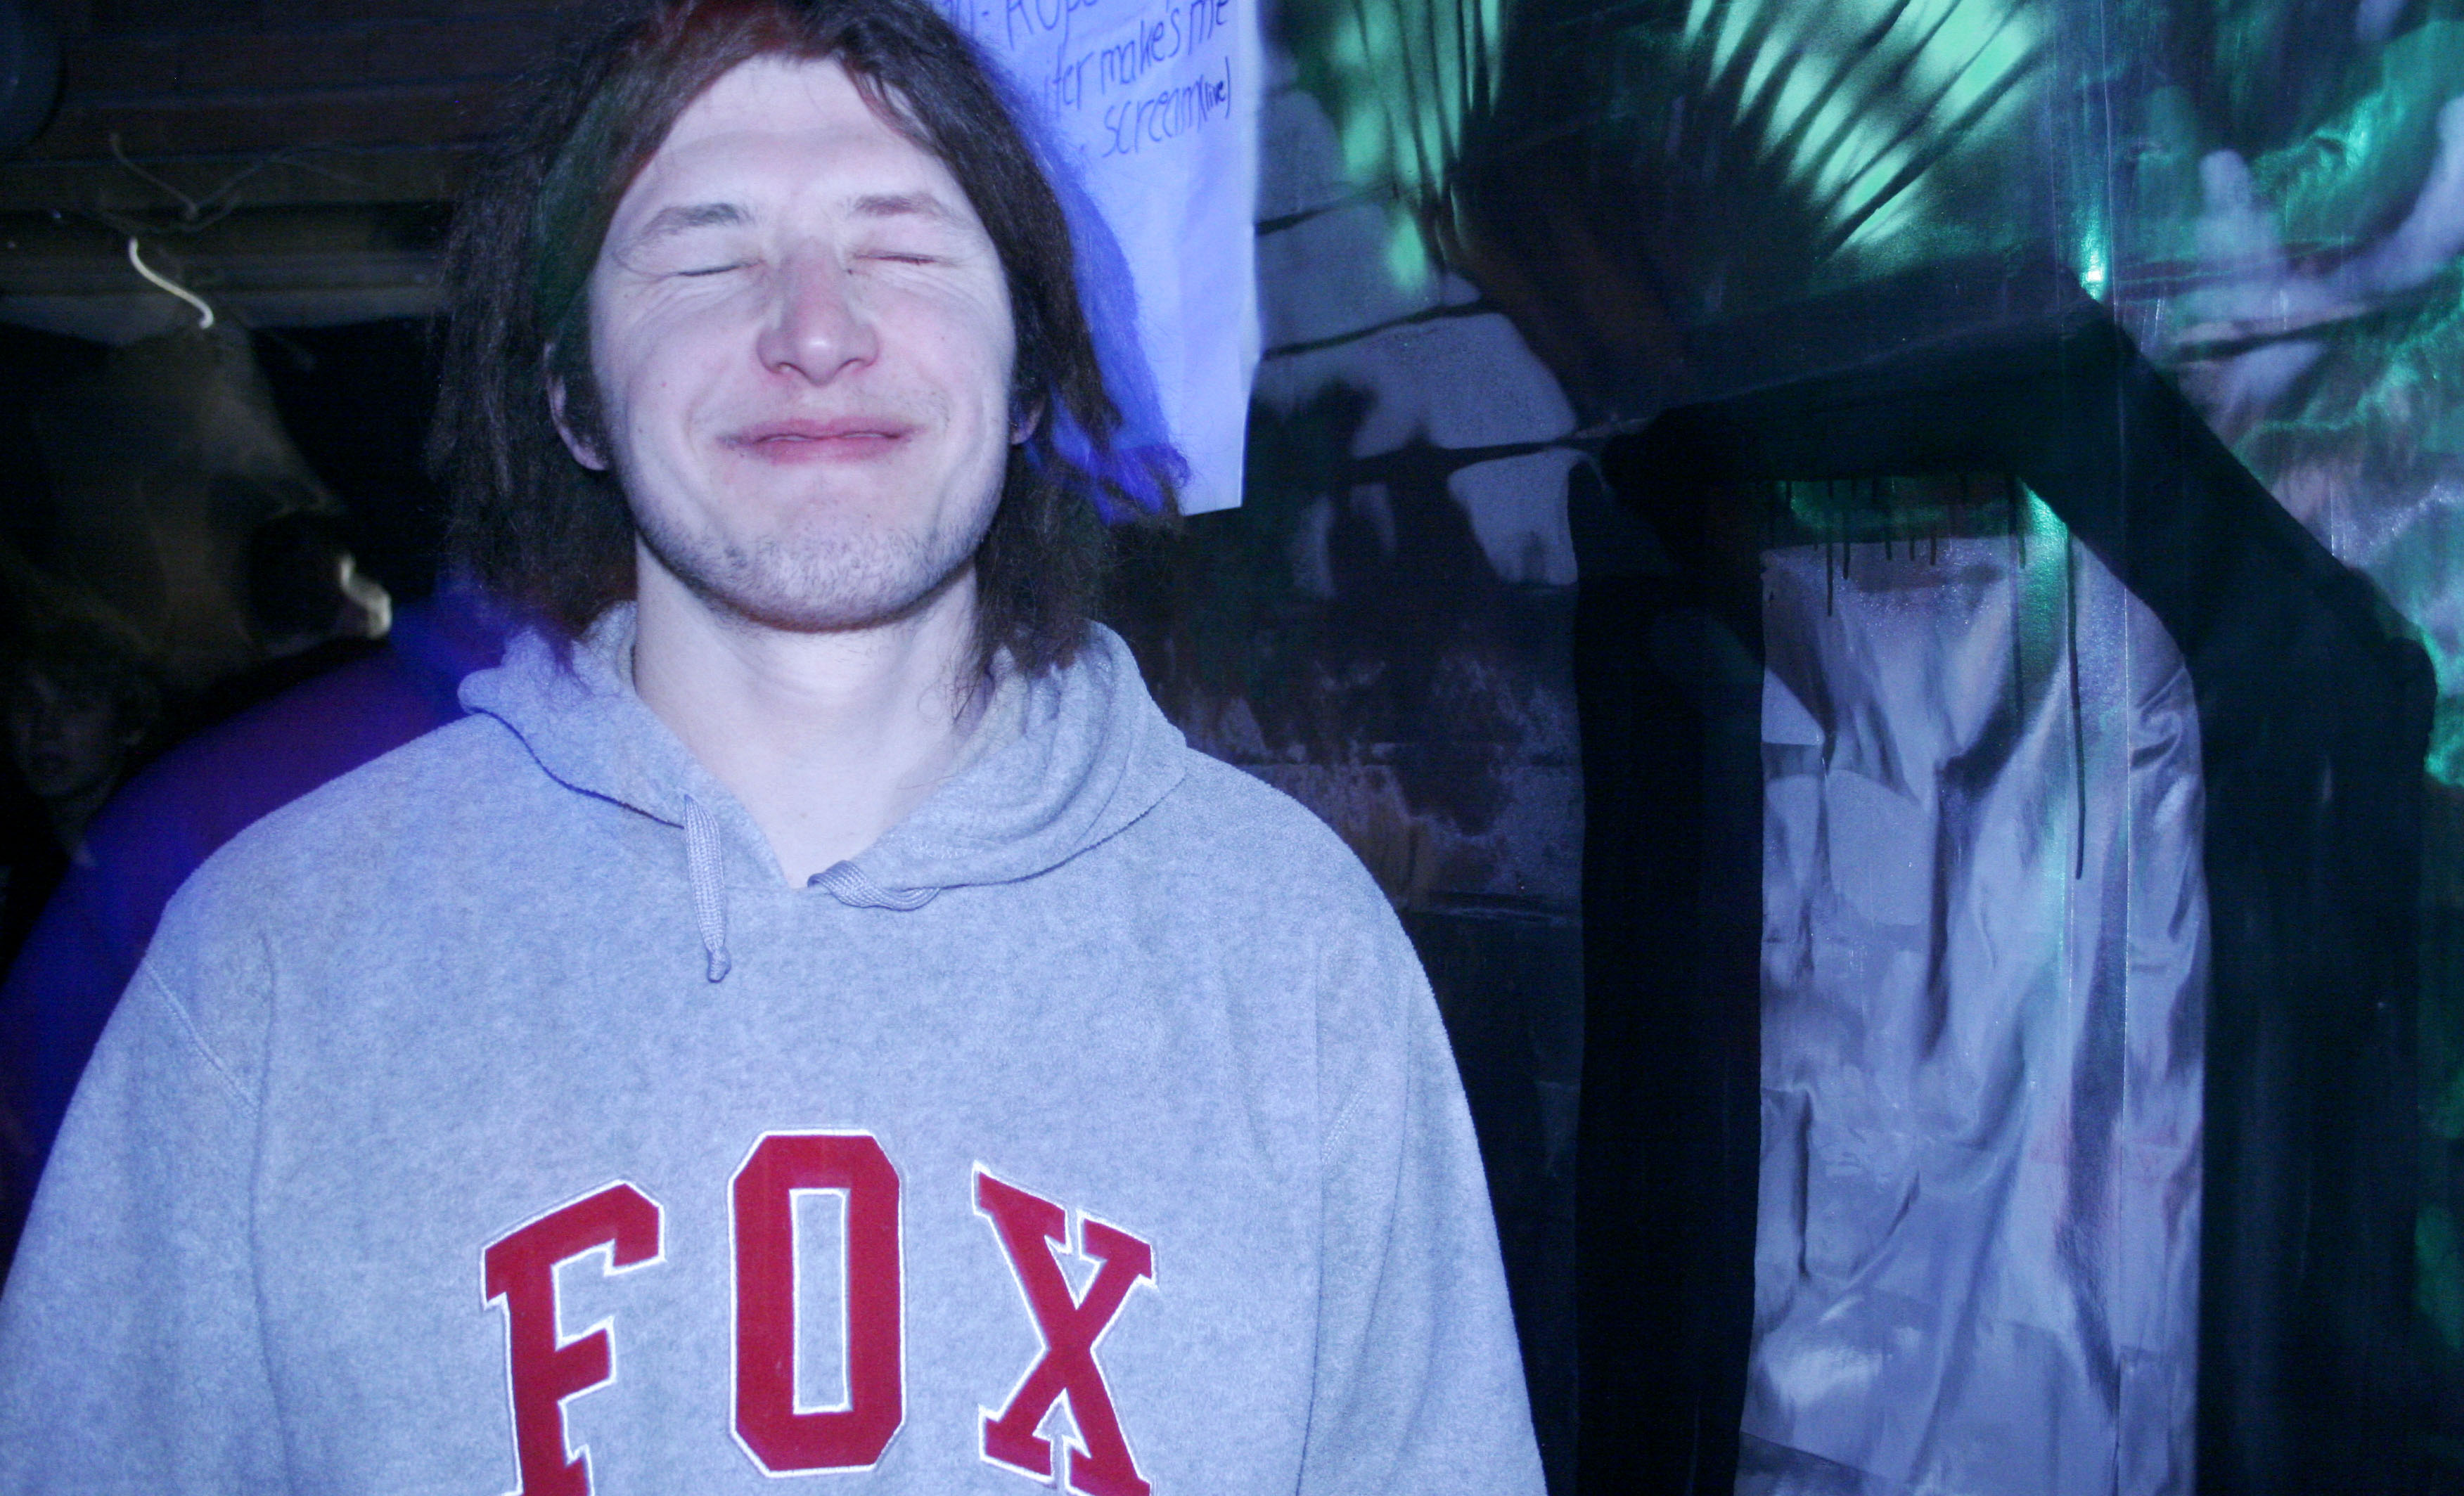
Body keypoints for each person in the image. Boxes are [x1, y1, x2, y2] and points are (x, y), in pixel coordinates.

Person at [0, 1, 1544, 1491]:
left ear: (1025, 372)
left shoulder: (1291, 952)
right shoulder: (272, 963)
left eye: (904, 245)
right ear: (572, 396)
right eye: (703, 252)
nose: (813, 328)